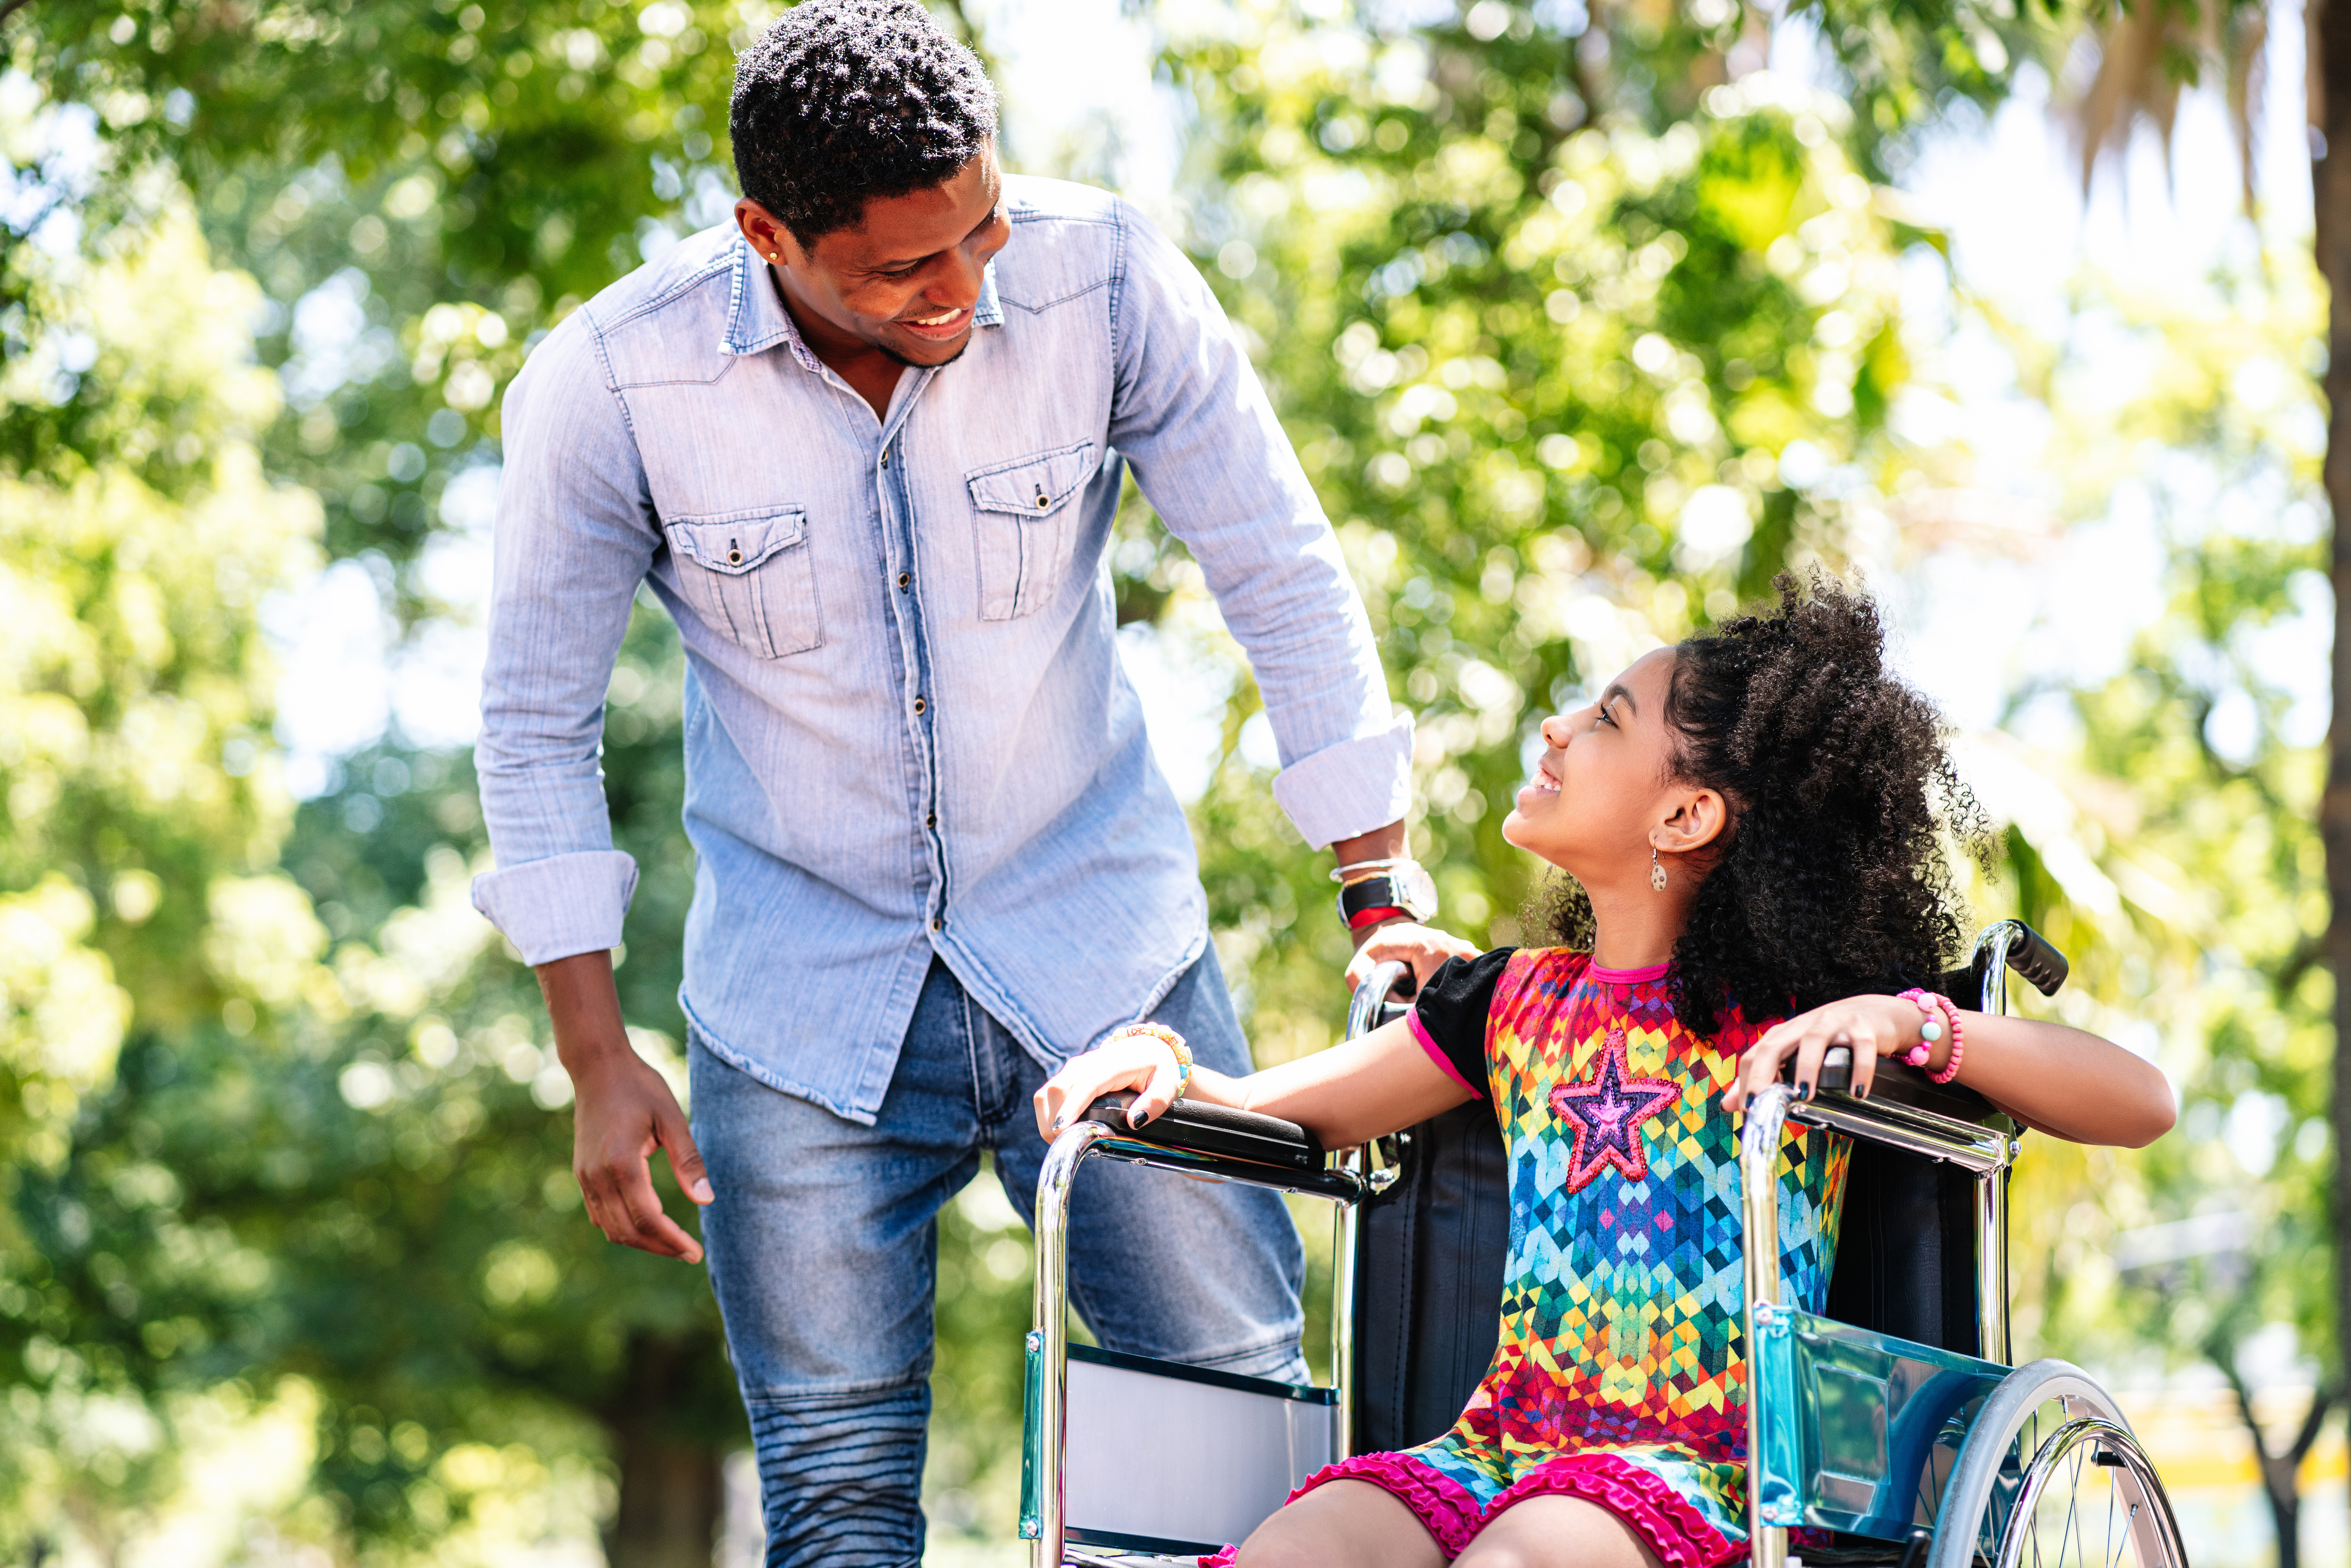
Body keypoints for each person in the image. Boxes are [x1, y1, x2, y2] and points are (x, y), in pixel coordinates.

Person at [469, 1, 1434, 1561]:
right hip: (799, 1013)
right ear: (767, 231)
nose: (966, 291)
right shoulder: (615, 383)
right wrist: (595, 1054)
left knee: (1233, 1464)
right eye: (907, 268)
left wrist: (1376, 891)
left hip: (1111, 964)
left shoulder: (1104, 275)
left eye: (982, 232)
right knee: (838, 1501)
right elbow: (531, 724)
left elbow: (1281, 569)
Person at [1035, 577, 2177, 1568]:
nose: (1557, 727)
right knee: (1306, 1542)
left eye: (1604, 719)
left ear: (1684, 814)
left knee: (1519, 1557)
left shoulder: (1807, 1024)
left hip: (1706, 1474)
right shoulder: (1513, 1001)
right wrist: (1163, 1058)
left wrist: (1921, 1020)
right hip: (1495, 1452)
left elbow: (2143, 1101)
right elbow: (1281, 1108)